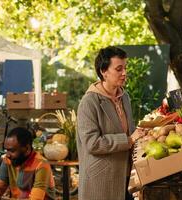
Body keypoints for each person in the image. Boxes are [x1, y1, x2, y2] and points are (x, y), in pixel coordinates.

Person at [77, 46, 145, 200]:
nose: (124, 73)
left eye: (125, 68)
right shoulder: (89, 102)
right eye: (119, 69)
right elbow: (92, 143)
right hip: (101, 183)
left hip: (126, 178)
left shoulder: (124, 97)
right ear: (103, 71)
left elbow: (129, 130)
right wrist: (128, 140)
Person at [0, 127, 55, 200]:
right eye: (6, 150)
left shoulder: (42, 165)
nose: (7, 154)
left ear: (27, 148)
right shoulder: (8, 160)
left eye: (12, 151)